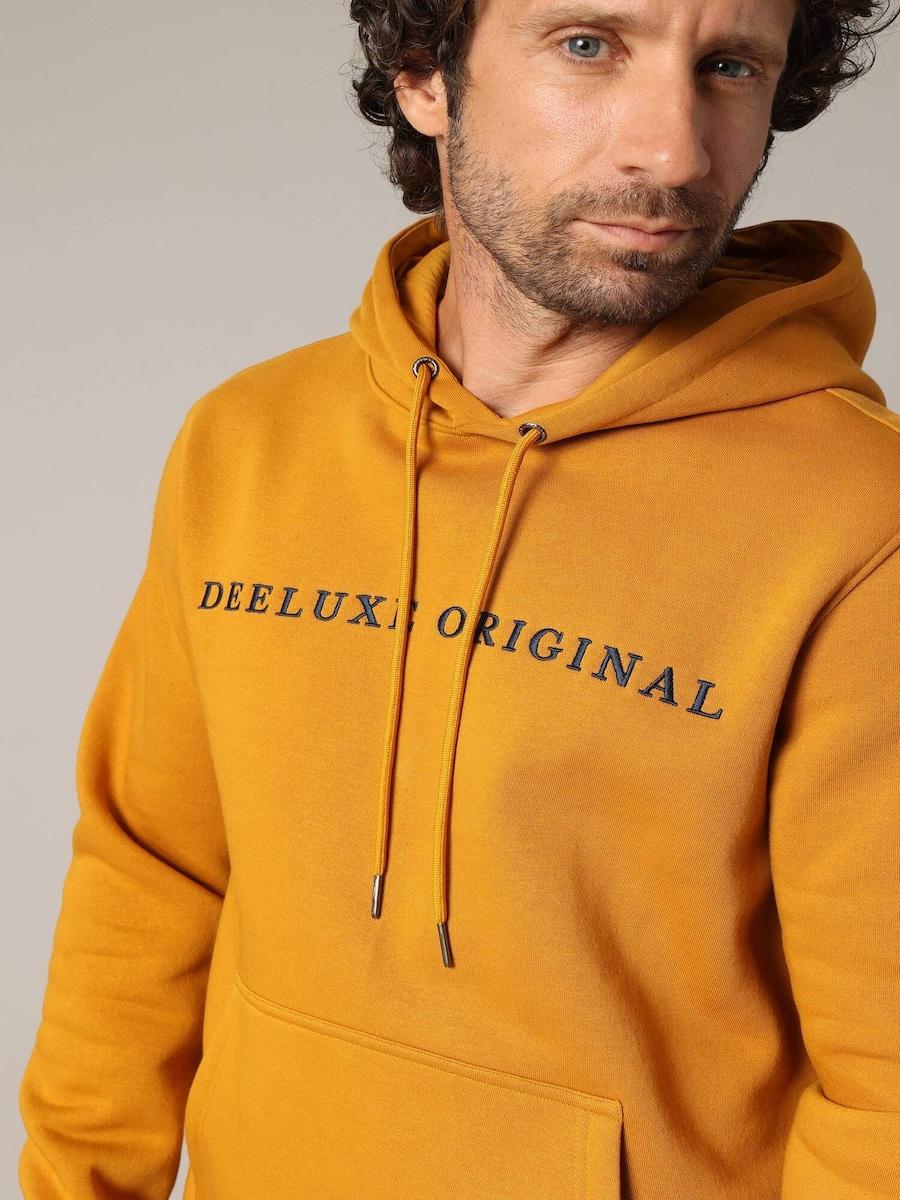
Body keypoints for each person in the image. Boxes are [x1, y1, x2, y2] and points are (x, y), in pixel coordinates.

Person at [18, 1, 900, 1197]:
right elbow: (149, 875)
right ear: (426, 75)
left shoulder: (861, 521)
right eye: (589, 45)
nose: (675, 149)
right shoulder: (248, 443)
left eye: (730, 67)